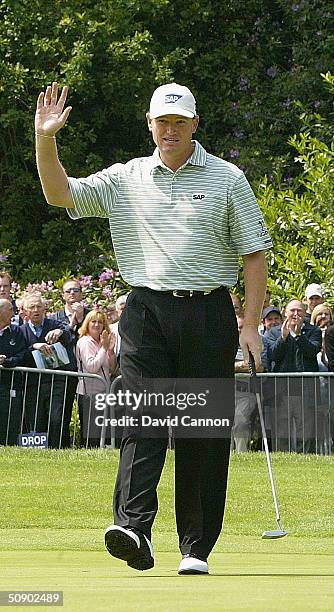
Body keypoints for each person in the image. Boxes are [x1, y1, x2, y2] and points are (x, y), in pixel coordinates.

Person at [35, 80, 271, 575]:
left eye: (179, 122)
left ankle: (195, 547)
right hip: (145, 312)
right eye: (162, 122)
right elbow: (61, 195)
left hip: (208, 312)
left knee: (201, 430)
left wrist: (250, 325)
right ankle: (134, 528)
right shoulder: (126, 178)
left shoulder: (227, 179)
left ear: (194, 125)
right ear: (150, 124)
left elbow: (254, 251)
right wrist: (46, 139)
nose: (170, 130)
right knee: (143, 418)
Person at [266, 299, 322, 452]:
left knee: (305, 434)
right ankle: (282, 463)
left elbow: (312, 350)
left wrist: (298, 336)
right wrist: (283, 338)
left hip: (305, 390)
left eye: (299, 311)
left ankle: (305, 464)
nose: (296, 314)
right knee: (281, 434)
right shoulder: (274, 332)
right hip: (281, 391)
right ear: (285, 312)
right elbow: (272, 355)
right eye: (292, 310)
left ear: (305, 314)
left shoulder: (313, 331)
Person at [21, 293, 72, 448]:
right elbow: (19, 354)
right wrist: (33, 347)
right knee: (36, 418)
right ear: (25, 311)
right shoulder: (21, 331)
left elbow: (70, 335)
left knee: (56, 418)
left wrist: (61, 332)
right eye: (32, 307)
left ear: (44, 308)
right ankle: (38, 450)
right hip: (33, 382)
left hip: (55, 380)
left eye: (39, 306)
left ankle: (56, 449)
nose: (36, 310)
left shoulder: (54, 324)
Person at [51, 278, 90, 446]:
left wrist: (81, 320)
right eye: (68, 291)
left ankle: (88, 444)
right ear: (63, 296)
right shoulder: (55, 318)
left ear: (81, 293)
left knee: (87, 413)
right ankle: (62, 445)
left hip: (87, 373)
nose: (72, 293)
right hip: (65, 371)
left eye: (76, 290)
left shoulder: (90, 316)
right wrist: (71, 325)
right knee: (62, 413)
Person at [76, 310, 117, 447]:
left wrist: (110, 350)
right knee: (91, 432)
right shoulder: (85, 341)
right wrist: (104, 349)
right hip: (89, 394)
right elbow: (92, 366)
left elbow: (112, 369)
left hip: (104, 392)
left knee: (102, 430)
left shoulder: (102, 343)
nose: (97, 325)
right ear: (87, 324)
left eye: (100, 322)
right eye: (93, 321)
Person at [0, 299, 28, 445]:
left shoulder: (16, 331)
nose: (14, 313)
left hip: (10, 385)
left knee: (9, 421)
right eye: (10, 309)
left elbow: (22, 354)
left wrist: (6, 361)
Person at [311, 303, 333, 453]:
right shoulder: (310, 334)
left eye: (326, 314)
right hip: (315, 389)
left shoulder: (331, 334)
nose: (323, 317)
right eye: (320, 314)